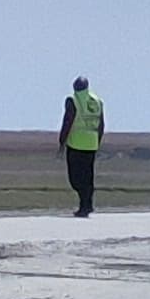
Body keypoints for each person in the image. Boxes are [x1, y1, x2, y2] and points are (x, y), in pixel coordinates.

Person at [59, 75, 105, 216]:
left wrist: (62, 141)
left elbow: (68, 120)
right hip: (91, 144)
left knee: (76, 179)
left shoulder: (73, 100)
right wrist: (97, 141)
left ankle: (85, 205)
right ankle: (87, 204)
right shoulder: (97, 101)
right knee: (87, 177)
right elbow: (101, 124)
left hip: (76, 144)